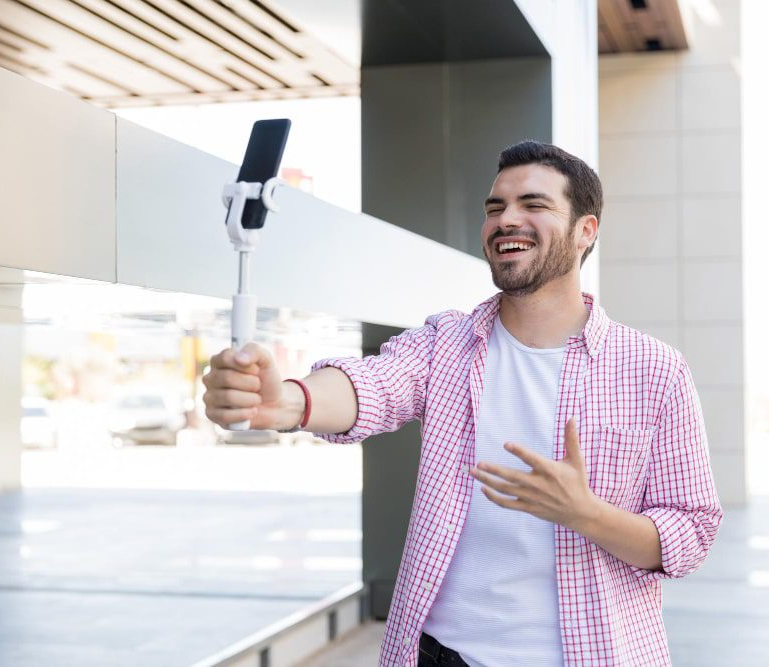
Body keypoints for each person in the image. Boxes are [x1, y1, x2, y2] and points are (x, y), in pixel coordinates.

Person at [203, 141, 723, 666]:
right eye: (495, 208)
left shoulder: (654, 370)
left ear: (585, 230)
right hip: (441, 656)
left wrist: (586, 514)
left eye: (533, 204)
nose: (506, 219)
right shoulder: (446, 344)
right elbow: (373, 385)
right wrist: (288, 402)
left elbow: (691, 533)